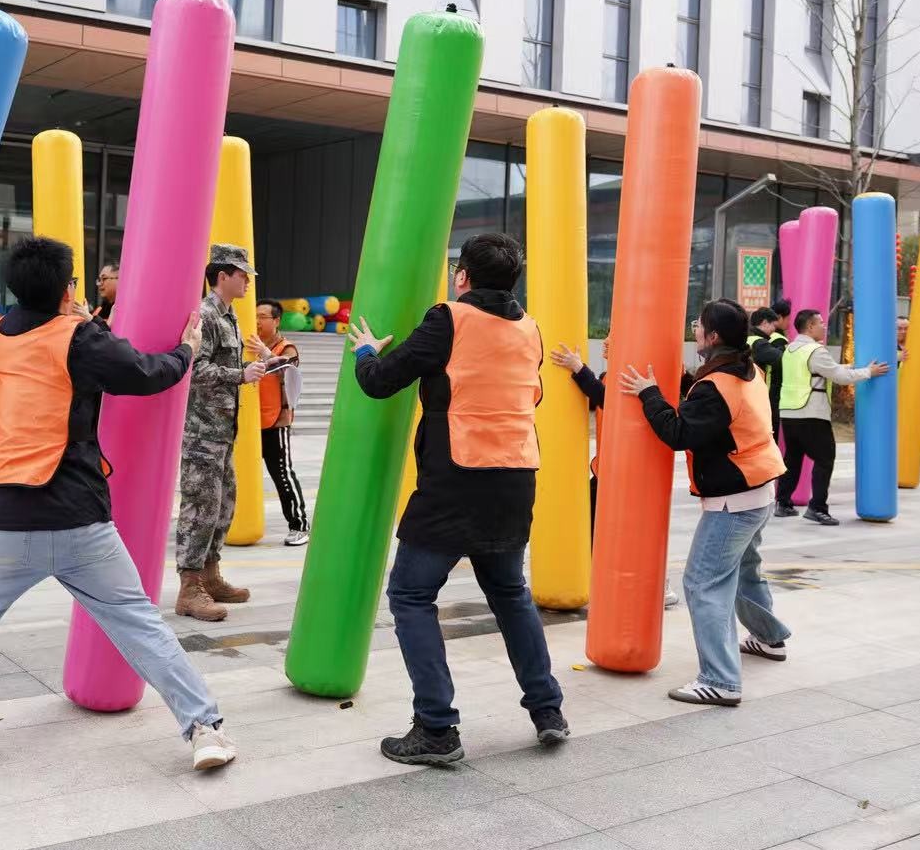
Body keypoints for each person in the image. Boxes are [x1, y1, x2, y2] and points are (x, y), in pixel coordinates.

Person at [0, 236, 235, 775]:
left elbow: (45, 361)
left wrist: (84, 326)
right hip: (79, 517)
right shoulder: (83, 338)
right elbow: (147, 373)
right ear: (68, 289)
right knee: (138, 622)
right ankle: (205, 729)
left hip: (4, 518)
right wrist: (186, 349)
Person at [349, 233, 567, 765]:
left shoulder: (449, 318)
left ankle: (437, 728)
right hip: (515, 476)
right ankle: (548, 710)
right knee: (510, 593)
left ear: (462, 276)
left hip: (456, 479)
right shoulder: (530, 328)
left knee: (410, 594)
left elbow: (379, 382)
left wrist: (366, 350)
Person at [619, 299, 790, 707]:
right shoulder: (745, 369)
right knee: (744, 570)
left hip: (735, 500)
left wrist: (649, 395)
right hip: (760, 488)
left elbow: (679, 433)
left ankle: (720, 680)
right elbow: (714, 415)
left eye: (698, 324)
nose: (694, 329)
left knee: (703, 582)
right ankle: (769, 638)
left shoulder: (716, 385)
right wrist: (680, 382)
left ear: (712, 336)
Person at [548, 343, 679, 609]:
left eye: (612, 336)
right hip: (608, 468)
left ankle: (657, 582)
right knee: (591, 522)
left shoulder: (634, 373)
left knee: (632, 530)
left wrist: (579, 369)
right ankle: (601, 579)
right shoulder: (613, 373)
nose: (607, 342)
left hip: (630, 470)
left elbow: (611, 401)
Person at [175, 244, 267, 621]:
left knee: (223, 505)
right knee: (200, 507)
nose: (247, 281)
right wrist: (240, 375)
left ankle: (210, 576)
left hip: (222, 432)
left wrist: (256, 367)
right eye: (242, 274)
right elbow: (194, 370)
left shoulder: (230, 316)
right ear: (222, 275)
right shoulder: (206, 315)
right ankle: (189, 589)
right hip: (201, 432)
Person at [775, 309, 890, 525]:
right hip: (811, 412)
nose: (824, 326)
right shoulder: (815, 350)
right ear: (810, 326)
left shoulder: (790, 349)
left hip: (789, 411)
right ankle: (817, 507)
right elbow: (840, 377)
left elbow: (826, 370)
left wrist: (853, 366)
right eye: (821, 322)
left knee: (793, 458)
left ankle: (782, 502)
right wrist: (868, 372)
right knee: (824, 459)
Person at [249, 298, 309, 545]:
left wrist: (266, 354)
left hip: (275, 422)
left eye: (262, 317)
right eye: (255, 315)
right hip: (249, 422)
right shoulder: (248, 344)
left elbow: (289, 368)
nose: (257, 321)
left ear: (276, 321)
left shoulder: (286, 347)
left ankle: (299, 526)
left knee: (282, 474)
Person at [747, 306, 789, 442]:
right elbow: (783, 360)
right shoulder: (760, 344)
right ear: (764, 322)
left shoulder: (748, 339)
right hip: (762, 397)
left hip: (749, 395)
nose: (773, 331)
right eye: (773, 326)